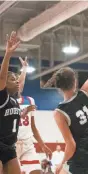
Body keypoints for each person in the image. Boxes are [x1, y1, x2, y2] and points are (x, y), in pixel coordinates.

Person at [44, 12, 88, 174]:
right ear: (75, 81)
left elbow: (71, 145)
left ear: (58, 87)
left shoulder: (59, 113)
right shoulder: (86, 92)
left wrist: (61, 163)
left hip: (80, 160)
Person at [0, 31, 35, 174]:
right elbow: (2, 77)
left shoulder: (15, 99)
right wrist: (8, 53)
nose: (16, 81)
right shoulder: (2, 98)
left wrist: (24, 69)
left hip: (10, 146)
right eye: (12, 79)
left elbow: (21, 82)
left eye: (16, 79)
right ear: (4, 85)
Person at [16, 62, 52, 174]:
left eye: (20, 82)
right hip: (10, 145)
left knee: (36, 171)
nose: (19, 84)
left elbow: (33, 126)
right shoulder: (5, 101)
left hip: (27, 143)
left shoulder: (30, 100)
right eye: (16, 82)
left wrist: (42, 144)